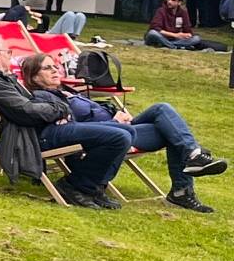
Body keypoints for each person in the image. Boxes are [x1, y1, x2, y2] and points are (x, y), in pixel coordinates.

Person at [22, 52, 226, 213]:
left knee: (164, 115)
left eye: (55, 66)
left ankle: (189, 167)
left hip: (119, 126)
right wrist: (112, 121)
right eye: (47, 68)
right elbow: (73, 128)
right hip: (103, 134)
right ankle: (188, 171)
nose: (55, 70)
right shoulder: (43, 97)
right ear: (33, 76)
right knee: (166, 127)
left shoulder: (67, 91)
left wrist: (117, 114)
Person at [0, 34, 128, 208]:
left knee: (127, 132)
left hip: (45, 127)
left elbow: (32, 106)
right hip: (36, 136)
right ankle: (76, 186)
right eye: (8, 52)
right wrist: (61, 109)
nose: (10, 56)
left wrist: (58, 110)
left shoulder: (0, 78)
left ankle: (93, 187)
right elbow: (26, 110)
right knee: (118, 137)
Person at [146, 0, 228, 51]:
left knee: (196, 38)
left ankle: (169, 45)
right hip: (162, 36)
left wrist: (187, 35)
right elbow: (156, 28)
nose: (169, 2)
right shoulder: (161, 11)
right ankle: (173, 46)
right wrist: (176, 35)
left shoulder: (183, 12)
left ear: (179, 3)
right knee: (152, 33)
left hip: (174, 39)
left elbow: (187, 29)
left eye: (173, 0)